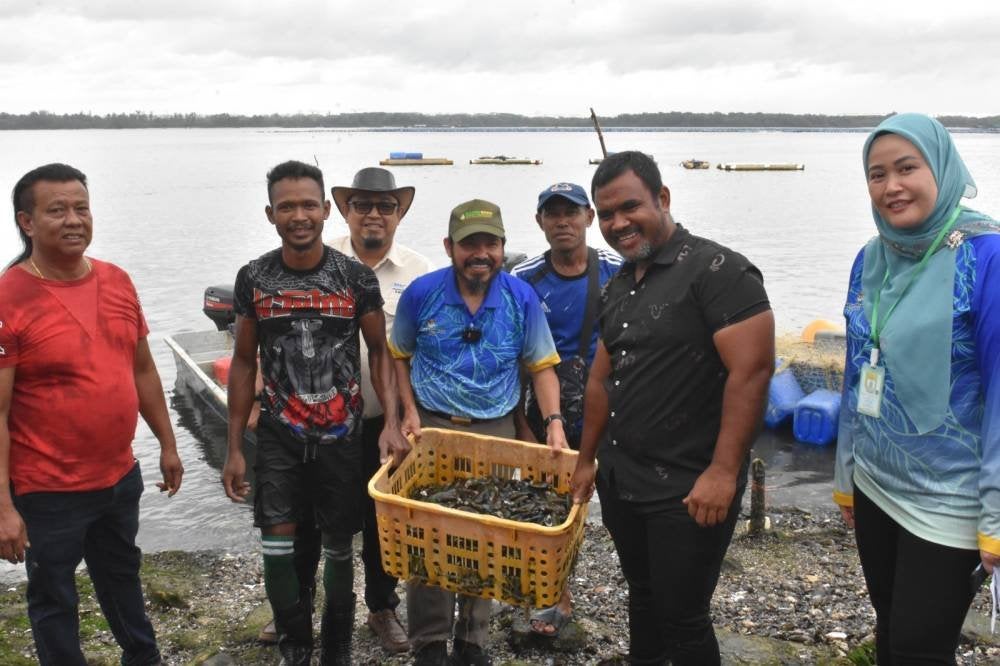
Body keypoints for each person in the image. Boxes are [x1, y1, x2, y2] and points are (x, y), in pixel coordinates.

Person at [570, 151, 774, 665]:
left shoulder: (719, 271)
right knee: (643, 595)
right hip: (623, 479)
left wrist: (723, 472)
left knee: (683, 616)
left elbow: (752, 372)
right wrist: (586, 459)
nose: (618, 223)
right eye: (606, 214)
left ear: (662, 198)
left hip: (689, 485)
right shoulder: (618, 284)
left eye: (630, 207)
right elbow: (601, 378)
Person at [221, 160, 409, 666]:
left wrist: (391, 423)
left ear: (326, 210)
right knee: (278, 541)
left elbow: (380, 352)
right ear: (270, 214)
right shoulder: (254, 278)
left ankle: (337, 648)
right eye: (287, 207)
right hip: (279, 435)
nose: (299, 216)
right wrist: (234, 447)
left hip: (341, 436)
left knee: (339, 545)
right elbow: (243, 361)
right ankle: (296, 644)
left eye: (308, 205)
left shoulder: (354, 278)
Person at [0, 163, 184, 666]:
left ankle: (143, 658)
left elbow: (142, 369)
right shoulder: (8, 297)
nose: (73, 220)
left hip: (118, 477)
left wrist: (168, 445)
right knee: (53, 596)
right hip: (47, 490)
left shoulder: (116, 280)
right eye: (57, 210)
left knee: (122, 576)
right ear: (27, 222)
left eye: (81, 208)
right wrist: (3, 507)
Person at [833, 113, 1000, 665]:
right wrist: (845, 475)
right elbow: (857, 371)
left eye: (907, 168)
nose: (891, 186)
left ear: (942, 169)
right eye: (877, 174)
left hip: (951, 497)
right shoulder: (871, 257)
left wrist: (997, 517)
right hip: (875, 483)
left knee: (918, 648)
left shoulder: (987, 257)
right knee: (890, 630)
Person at [389, 199, 568, 666]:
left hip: (496, 429)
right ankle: (429, 642)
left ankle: (472, 642)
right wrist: (406, 413)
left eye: (491, 243)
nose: (481, 253)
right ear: (449, 247)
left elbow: (542, 366)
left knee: (488, 535)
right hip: (431, 427)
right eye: (470, 244)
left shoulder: (520, 298)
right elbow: (398, 356)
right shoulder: (421, 293)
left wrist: (553, 423)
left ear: (503, 247)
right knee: (427, 534)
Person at [511, 181, 621, 636]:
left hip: (608, 407)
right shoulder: (524, 278)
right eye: (552, 214)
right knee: (547, 507)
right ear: (539, 221)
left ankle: (642, 586)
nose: (562, 222)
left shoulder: (618, 269)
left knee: (616, 503)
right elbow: (514, 359)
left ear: (589, 218)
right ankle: (554, 593)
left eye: (571, 213)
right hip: (546, 407)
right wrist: (522, 424)